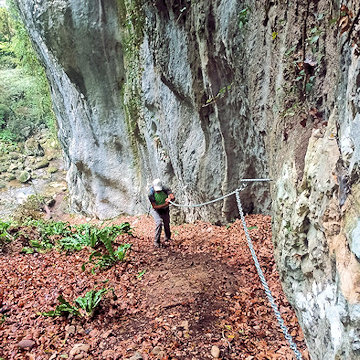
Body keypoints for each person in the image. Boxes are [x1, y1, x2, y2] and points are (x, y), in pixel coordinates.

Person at [148, 178, 175, 248]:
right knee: (159, 222)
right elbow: (155, 206)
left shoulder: (165, 188)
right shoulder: (150, 193)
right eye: (157, 191)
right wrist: (165, 204)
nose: (158, 192)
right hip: (156, 210)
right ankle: (156, 241)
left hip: (165, 209)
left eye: (159, 190)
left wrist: (170, 199)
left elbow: (172, 197)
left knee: (166, 222)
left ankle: (168, 238)